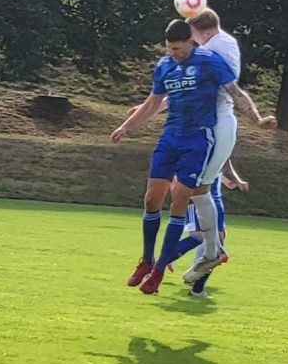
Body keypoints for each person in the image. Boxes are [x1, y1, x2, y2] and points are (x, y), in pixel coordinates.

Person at [110, 19, 275, 295]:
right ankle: (146, 260)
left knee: (180, 200)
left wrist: (258, 120)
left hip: (197, 139)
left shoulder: (209, 61)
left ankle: (159, 270)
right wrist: (125, 127)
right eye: (169, 49)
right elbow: (153, 103)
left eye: (178, 48)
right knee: (151, 199)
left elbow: (235, 93)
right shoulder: (164, 65)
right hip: (170, 136)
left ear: (191, 42)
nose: (174, 53)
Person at [185, 8, 243, 280]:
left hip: (215, 122)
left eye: (194, 35)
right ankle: (207, 253)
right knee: (199, 188)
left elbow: (200, 86)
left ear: (206, 31)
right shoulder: (225, 43)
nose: (192, 41)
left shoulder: (213, 49)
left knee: (198, 188)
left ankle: (210, 251)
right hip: (217, 122)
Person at [183, 161, 249, 298]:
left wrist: (235, 181)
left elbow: (225, 167)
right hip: (203, 200)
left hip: (209, 199)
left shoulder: (212, 152)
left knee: (212, 241)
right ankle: (161, 265)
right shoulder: (211, 149)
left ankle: (195, 280)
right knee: (203, 240)